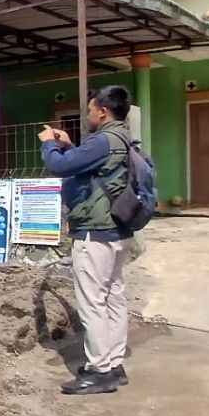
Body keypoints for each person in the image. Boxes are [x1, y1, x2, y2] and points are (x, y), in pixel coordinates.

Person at [39, 85, 135, 396]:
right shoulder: (123, 137)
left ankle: (99, 370)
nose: (89, 114)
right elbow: (91, 168)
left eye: (91, 109)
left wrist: (49, 146)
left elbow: (60, 167)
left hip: (95, 232)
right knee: (113, 298)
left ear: (103, 111)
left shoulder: (103, 140)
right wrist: (70, 146)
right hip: (118, 230)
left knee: (93, 302)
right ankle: (113, 363)